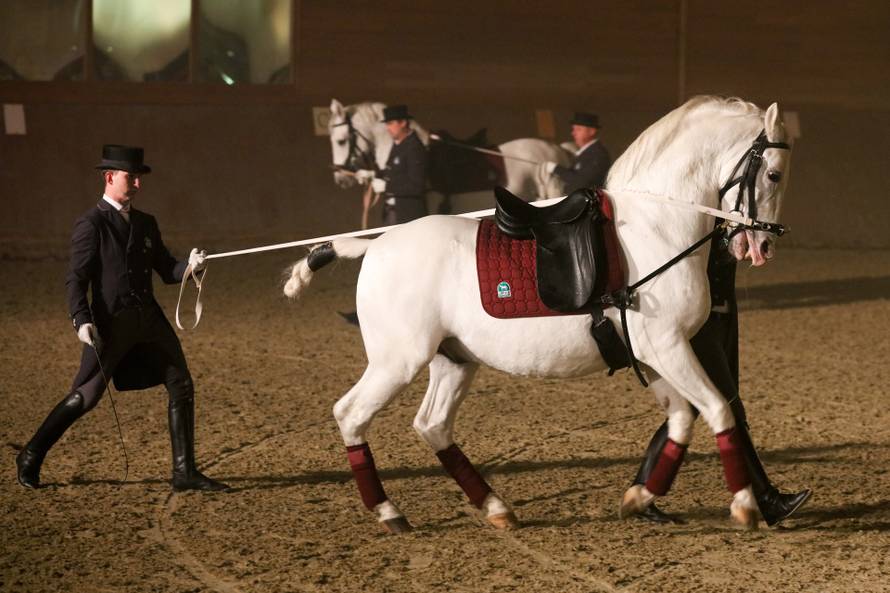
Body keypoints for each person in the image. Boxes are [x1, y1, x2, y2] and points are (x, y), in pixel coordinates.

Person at [15, 144, 229, 492]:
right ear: (110, 177)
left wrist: (192, 266)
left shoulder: (146, 223)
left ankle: (184, 472)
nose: (138, 184)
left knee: (181, 383)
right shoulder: (92, 224)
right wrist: (81, 319)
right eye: (132, 177)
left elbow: (167, 270)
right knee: (86, 396)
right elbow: (76, 279)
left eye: (139, 178)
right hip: (112, 324)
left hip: (149, 321)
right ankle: (30, 454)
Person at [623, 233, 811, 526]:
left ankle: (642, 490)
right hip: (700, 325)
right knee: (727, 405)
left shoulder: (728, 216)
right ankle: (766, 499)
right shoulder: (702, 219)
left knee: (696, 407)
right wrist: (730, 244)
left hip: (723, 317)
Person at [355, 104, 428, 225]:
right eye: (387, 124)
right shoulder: (398, 144)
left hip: (408, 216)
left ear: (403, 123)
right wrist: (373, 174)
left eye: (390, 123)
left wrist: (387, 186)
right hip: (392, 212)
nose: (388, 128)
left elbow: (417, 186)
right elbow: (393, 172)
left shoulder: (414, 147)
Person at [544, 112, 611, 194]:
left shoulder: (598, 154)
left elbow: (581, 182)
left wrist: (556, 169)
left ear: (591, 131)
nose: (573, 133)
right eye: (573, 129)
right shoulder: (585, 152)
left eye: (578, 129)